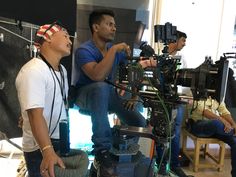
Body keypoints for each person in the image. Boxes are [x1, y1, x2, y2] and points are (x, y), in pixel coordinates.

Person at [74, 9, 146, 176]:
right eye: (109, 24)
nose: (114, 28)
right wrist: (113, 51)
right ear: (96, 27)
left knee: (139, 124)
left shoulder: (114, 49)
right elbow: (97, 75)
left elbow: (134, 71)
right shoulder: (84, 51)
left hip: (108, 95)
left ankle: (116, 140)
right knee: (101, 87)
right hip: (86, 96)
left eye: (115, 25)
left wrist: (134, 96)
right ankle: (102, 150)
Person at [16, 22, 89, 177]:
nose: (70, 41)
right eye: (64, 36)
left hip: (57, 142)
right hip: (41, 147)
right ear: (48, 38)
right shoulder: (34, 70)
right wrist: (47, 151)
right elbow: (35, 114)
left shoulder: (61, 70)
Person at [155, 31, 191, 177]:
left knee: (175, 132)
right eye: (183, 40)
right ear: (174, 40)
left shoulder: (182, 59)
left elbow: (187, 81)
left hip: (178, 100)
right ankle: (161, 164)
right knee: (160, 130)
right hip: (161, 99)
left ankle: (174, 165)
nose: (184, 44)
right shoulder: (159, 57)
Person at [190, 96, 236, 177]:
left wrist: (233, 124)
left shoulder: (218, 95)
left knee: (235, 142)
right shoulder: (197, 92)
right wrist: (223, 121)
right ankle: (231, 131)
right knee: (216, 123)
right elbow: (205, 112)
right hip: (198, 125)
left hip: (216, 128)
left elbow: (225, 112)